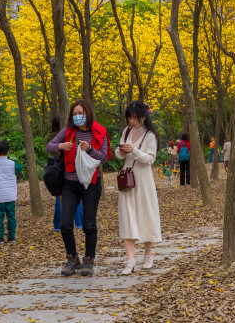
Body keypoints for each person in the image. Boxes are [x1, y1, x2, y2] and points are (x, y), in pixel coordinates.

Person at [47, 99, 111, 277]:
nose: (77, 117)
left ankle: (88, 260)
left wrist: (90, 149)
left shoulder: (100, 132)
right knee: (65, 223)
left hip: (91, 182)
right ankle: (72, 258)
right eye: (74, 114)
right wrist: (60, 145)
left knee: (89, 223)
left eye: (80, 113)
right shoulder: (68, 131)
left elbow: (104, 158)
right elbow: (49, 146)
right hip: (69, 182)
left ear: (88, 113)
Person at [116, 101, 161, 274]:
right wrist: (121, 151)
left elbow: (150, 160)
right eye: (129, 117)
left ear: (143, 117)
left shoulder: (150, 136)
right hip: (127, 177)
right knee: (128, 215)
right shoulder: (126, 131)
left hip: (143, 178)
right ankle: (130, 260)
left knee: (145, 214)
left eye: (135, 117)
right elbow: (119, 153)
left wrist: (134, 151)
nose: (132, 121)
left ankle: (148, 255)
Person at [47, 116, 82, 233]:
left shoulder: (50, 137)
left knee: (60, 196)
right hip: (65, 167)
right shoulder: (68, 135)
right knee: (75, 195)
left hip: (56, 169)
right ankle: (79, 223)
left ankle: (58, 225)